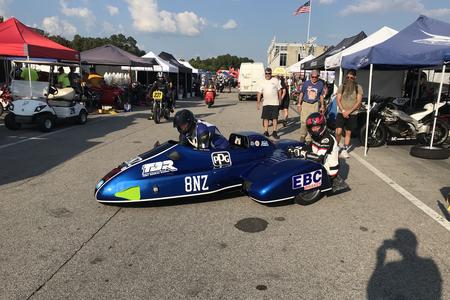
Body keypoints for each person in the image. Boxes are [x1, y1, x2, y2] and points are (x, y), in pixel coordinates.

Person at [288, 112, 346, 191]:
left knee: (301, 166)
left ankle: (335, 180)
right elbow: (310, 147)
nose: (314, 129)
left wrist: (301, 153)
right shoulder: (316, 136)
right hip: (321, 163)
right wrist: (298, 149)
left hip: (328, 170)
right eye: (312, 127)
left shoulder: (327, 138)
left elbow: (318, 158)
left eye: (317, 127)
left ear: (322, 126)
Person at [335, 69, 363, 159]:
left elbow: (358, 101)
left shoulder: (358, 87)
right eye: (347, 77)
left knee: (348, 132)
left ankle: (345, 149)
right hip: (341, 112)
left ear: (355, 77)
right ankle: (336, 146)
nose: (349, 79)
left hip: (353, 113)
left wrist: (349, 111)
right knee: (338, 131)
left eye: (351, 77)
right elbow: (338, 100)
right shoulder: (342, 86)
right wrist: (343, 111)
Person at [297, 69, 326, 142]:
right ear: (310, 76)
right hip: (306, 104)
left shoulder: (320, 84)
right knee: (303, 122)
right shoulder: (306, 83)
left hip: (314, 105)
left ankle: (309, 138)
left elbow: (321, 96)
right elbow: (301, 93)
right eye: (312, 77)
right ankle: (303, 135)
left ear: (318, 77)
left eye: (315, 77)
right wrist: (299, 104)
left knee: (312, 122)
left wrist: (322, 106)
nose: (314, 78)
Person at [257, 67, 282, 139]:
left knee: (275, 118)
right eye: (266, 73)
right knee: (265, 118)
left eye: (269, 73)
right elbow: (259, 92)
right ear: (264, 74)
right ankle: (266, 131)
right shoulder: (262, 82)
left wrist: (280, 99)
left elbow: (279, 90)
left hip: (275, 103)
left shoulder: (275, 80)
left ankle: (274, 132)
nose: (268, 75)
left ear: (271, 74)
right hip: (266, 103)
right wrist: (258, 103)